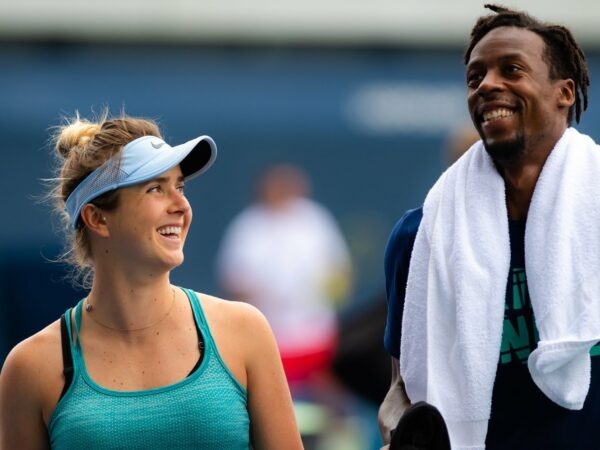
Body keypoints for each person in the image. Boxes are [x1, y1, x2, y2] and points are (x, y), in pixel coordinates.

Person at [0, 113, 303, 449]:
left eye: (180, 186)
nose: (182, 205)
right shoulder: (29, 368)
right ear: (97, 218)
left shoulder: (246, 331)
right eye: (156, 188)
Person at [379, 4, 599, 450]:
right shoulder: (419, 236)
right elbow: (404, 387)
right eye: (475, 77)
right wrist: (400, 428)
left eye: (512, 69)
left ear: (565, 92)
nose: (488, 85)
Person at [217, 163, 352, 390]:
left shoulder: (316, 220)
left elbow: (340, 271)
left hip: (318, 335)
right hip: (271, 338)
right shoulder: (247, 227)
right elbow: (233, 283)